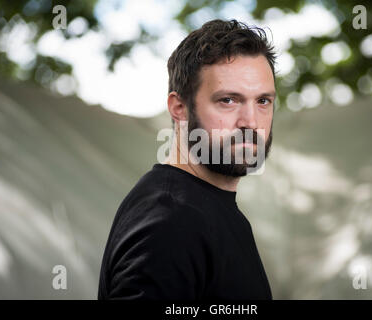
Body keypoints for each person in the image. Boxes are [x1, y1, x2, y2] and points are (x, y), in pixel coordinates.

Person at [98, 19, 276, 300]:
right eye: (228, 100)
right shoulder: (169, 219)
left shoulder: (208, 209)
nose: (251, 122)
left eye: (263, 101)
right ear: (179, 108)